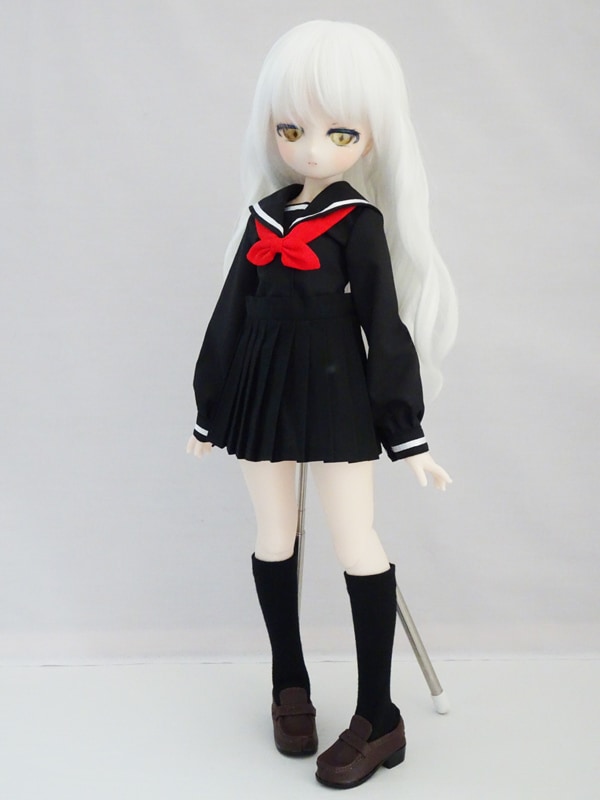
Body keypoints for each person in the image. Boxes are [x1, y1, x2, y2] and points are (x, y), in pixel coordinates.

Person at [187, 20, 457, 789]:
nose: (310, 150)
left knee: (355, 539)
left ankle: (379, 714)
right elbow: (228, 315)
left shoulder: (358, 221)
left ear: (371, 137)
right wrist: (209, 408)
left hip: (337, 387)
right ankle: (289, 682)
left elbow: (384, 325)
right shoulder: (263, 217)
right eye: (291, 130)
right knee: (275, 534)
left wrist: (406, 432)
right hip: (262, 388)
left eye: (339, 133)